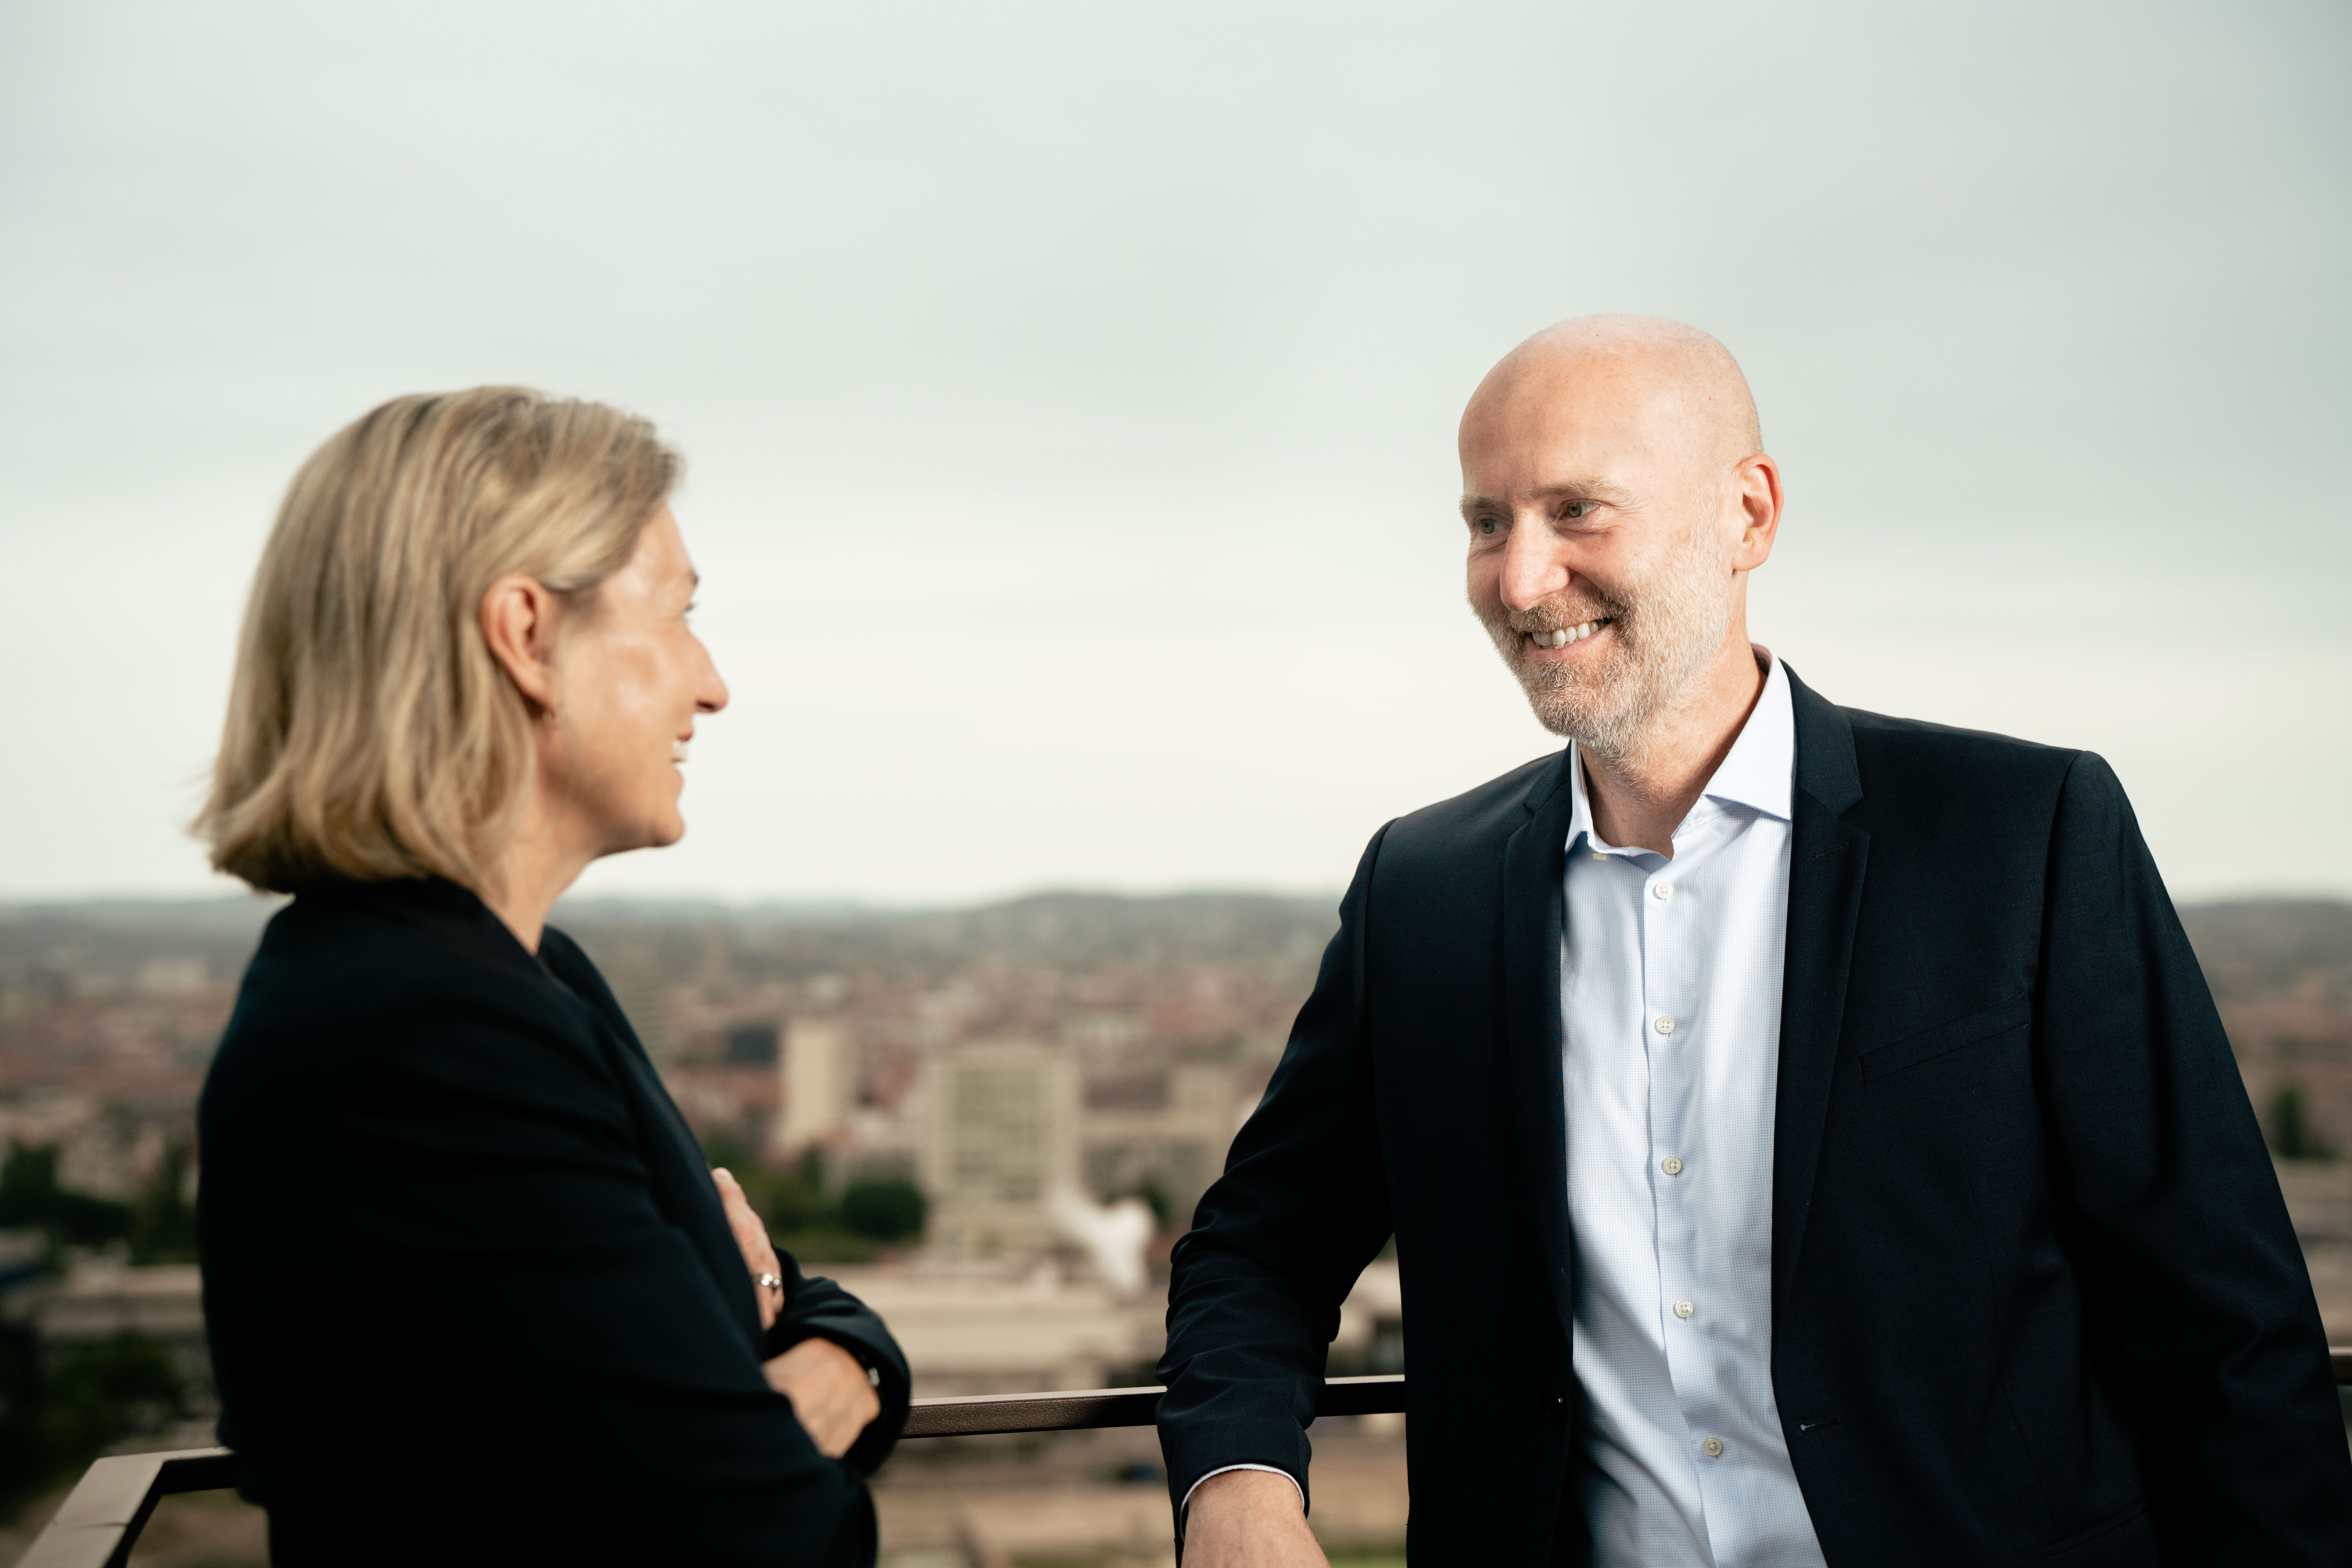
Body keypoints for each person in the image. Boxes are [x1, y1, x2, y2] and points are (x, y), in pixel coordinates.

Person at [1156, 316, 2352, 1565]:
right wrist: (1239, 1482)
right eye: (1485, 523)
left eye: (1578, 511)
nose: (1520, 579)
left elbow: (2228, 1337)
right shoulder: (1425, 891)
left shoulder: (2022, 835)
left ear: (1749, 517)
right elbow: (1260, 1247)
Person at [194, 388, 907, 1567]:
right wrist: (780, 1360)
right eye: (677, 617)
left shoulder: (507, 978)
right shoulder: (436, 1037)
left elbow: (777, 1320)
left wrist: (834, 1351)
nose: (712, 684)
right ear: (526, 636)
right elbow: (784, 1536)